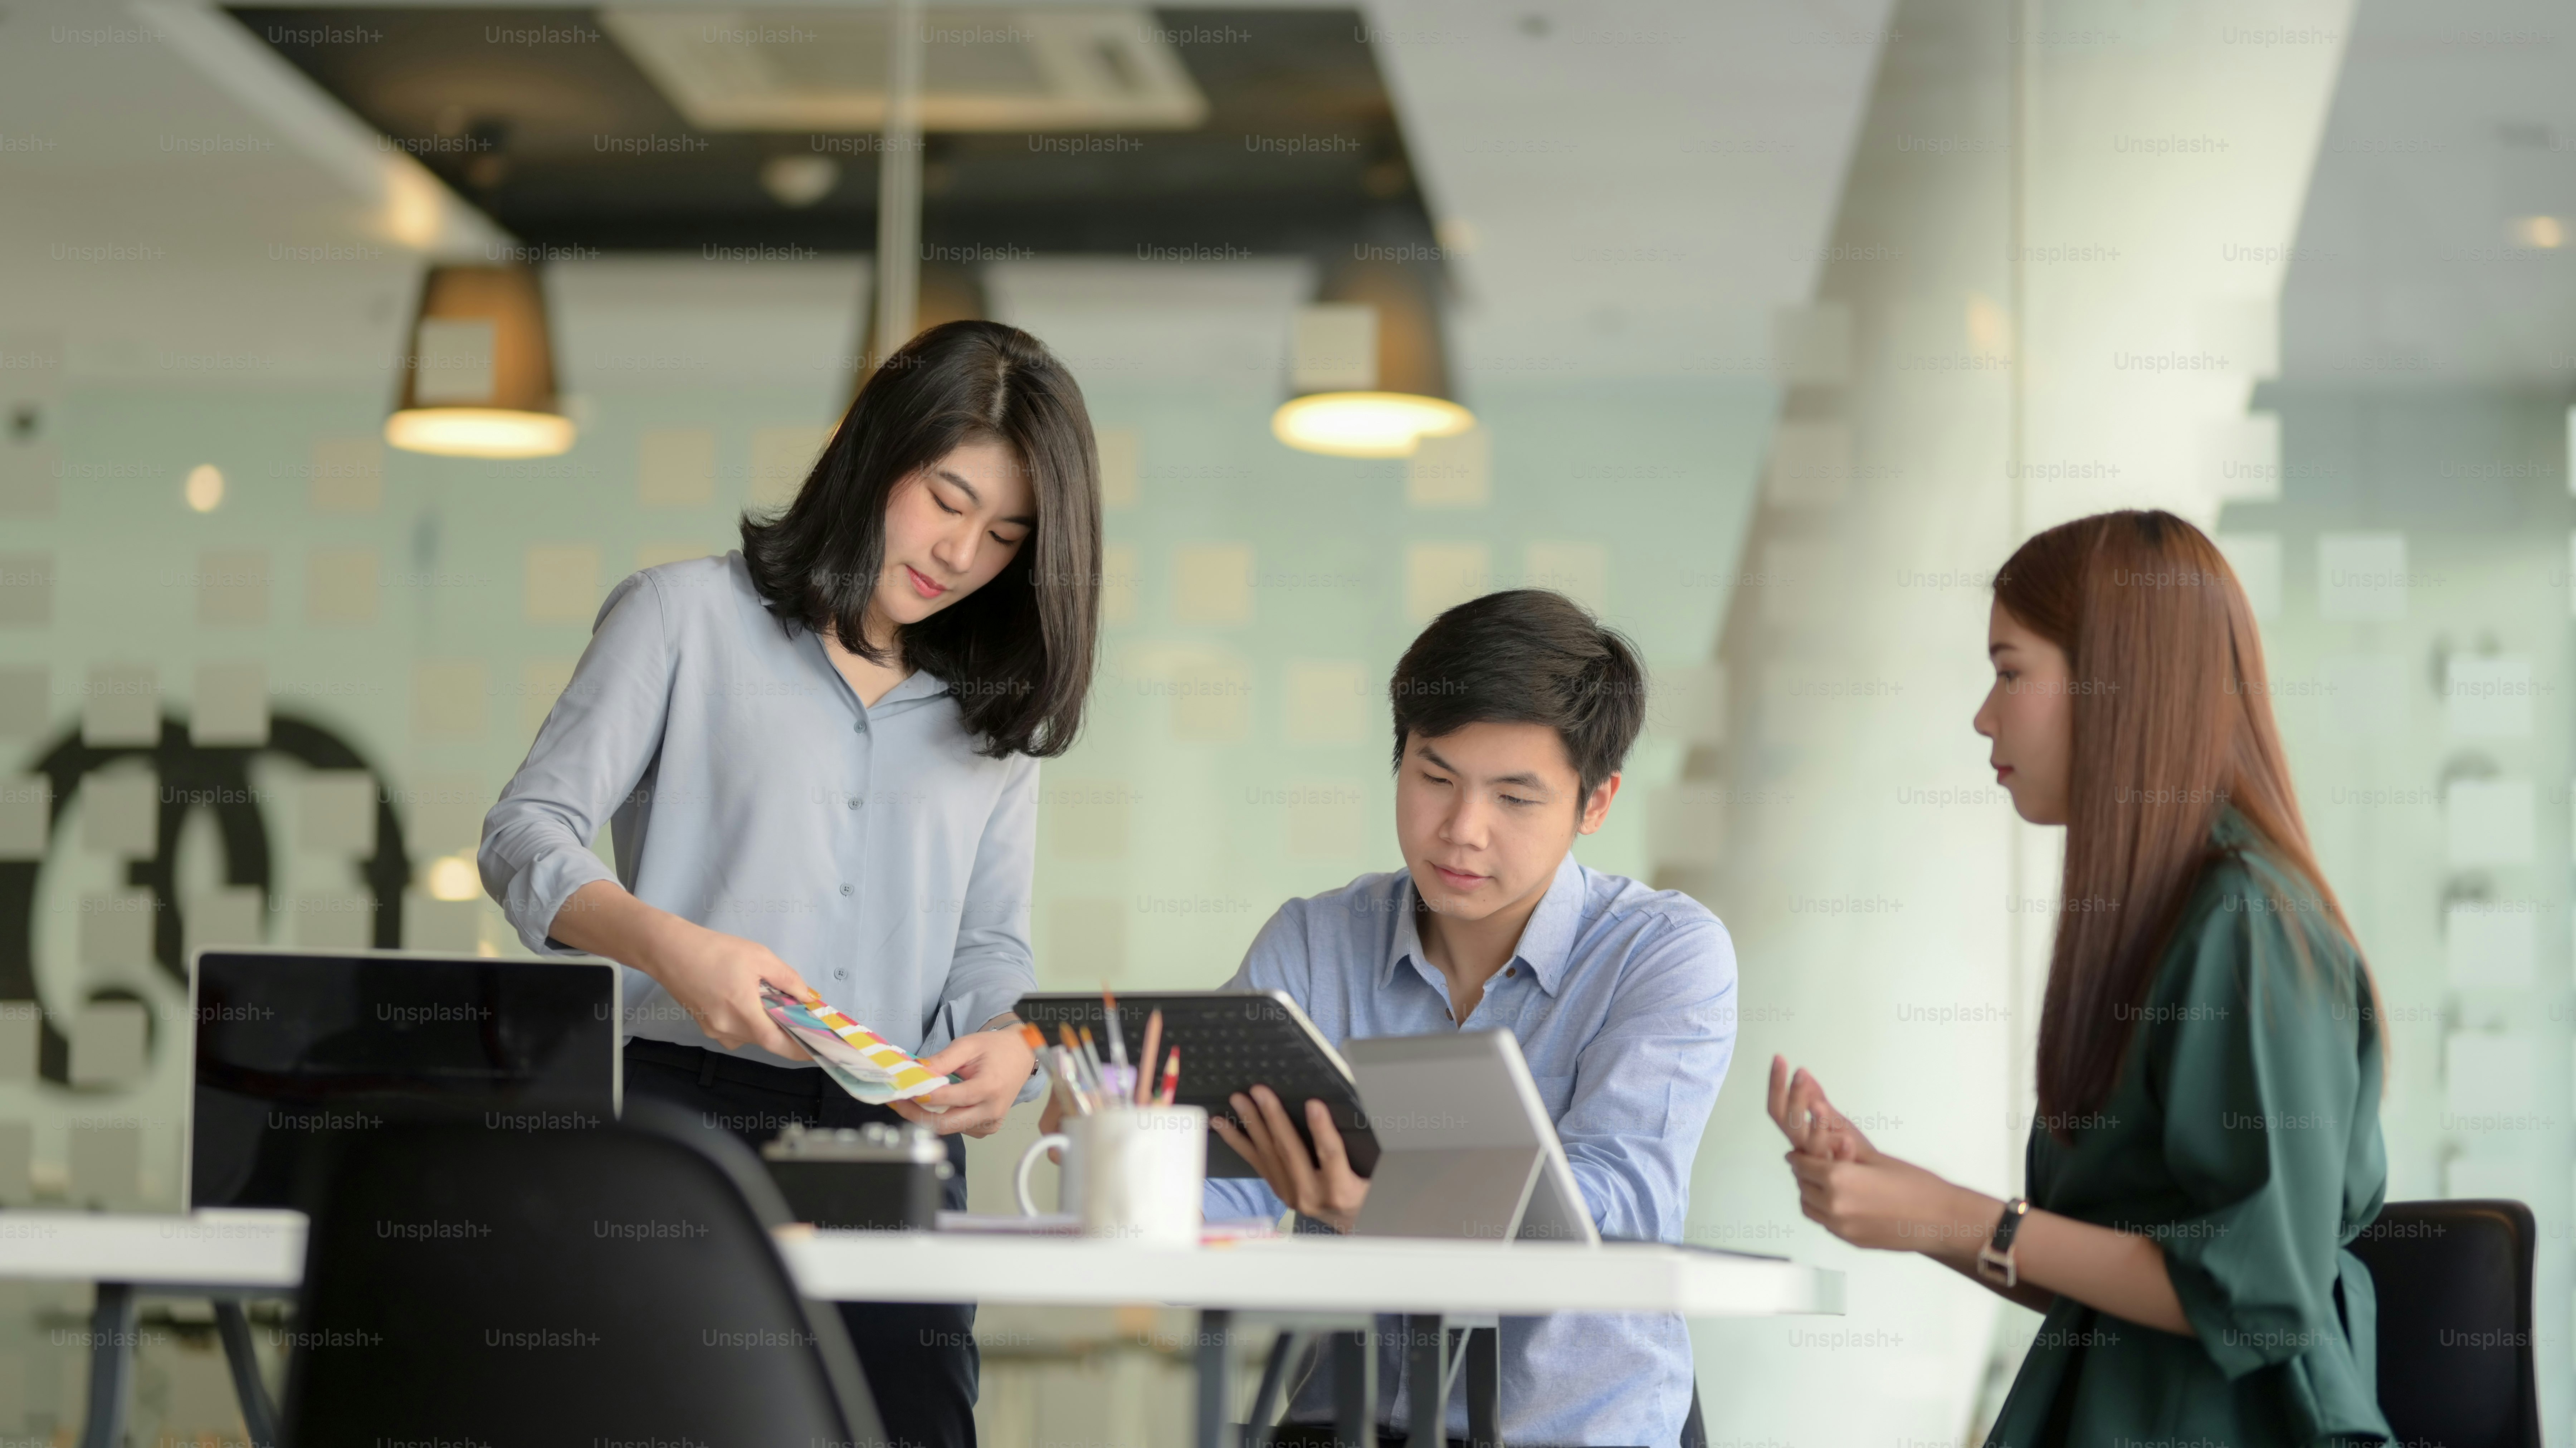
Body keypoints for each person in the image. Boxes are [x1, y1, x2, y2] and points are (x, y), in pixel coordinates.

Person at [480, 320, 1101, 1448]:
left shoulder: (992, 718)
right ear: (878, 454)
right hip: (683, 1114)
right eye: (946, 499)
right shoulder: (681, 618)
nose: (962, 553)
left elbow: (990, 946)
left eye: (1007, 534)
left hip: (896, 1147)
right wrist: (670, 946)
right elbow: (526, 834)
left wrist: (1013, 1041)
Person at [1767, 510, 2390, 1445]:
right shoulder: (2166, 917)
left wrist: (1952, 1213)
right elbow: (2107, 1280)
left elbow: (2262, 1292)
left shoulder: (2247, 920)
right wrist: (1910, 1200)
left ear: (2119, 683)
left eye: (2009, 672)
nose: (1984, 715)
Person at [1128, 589, 1736, 1448]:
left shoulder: (1663, 951)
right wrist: (1132, 1147)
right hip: (1344, 1426)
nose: (1460, 830)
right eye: (1435, 777)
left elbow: (1621, 1204)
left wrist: (1389, 1203)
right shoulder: (1317, 940)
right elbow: (1215, 1193)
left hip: (1566, 1432)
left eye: (1515, 798)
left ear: (1594, 804)